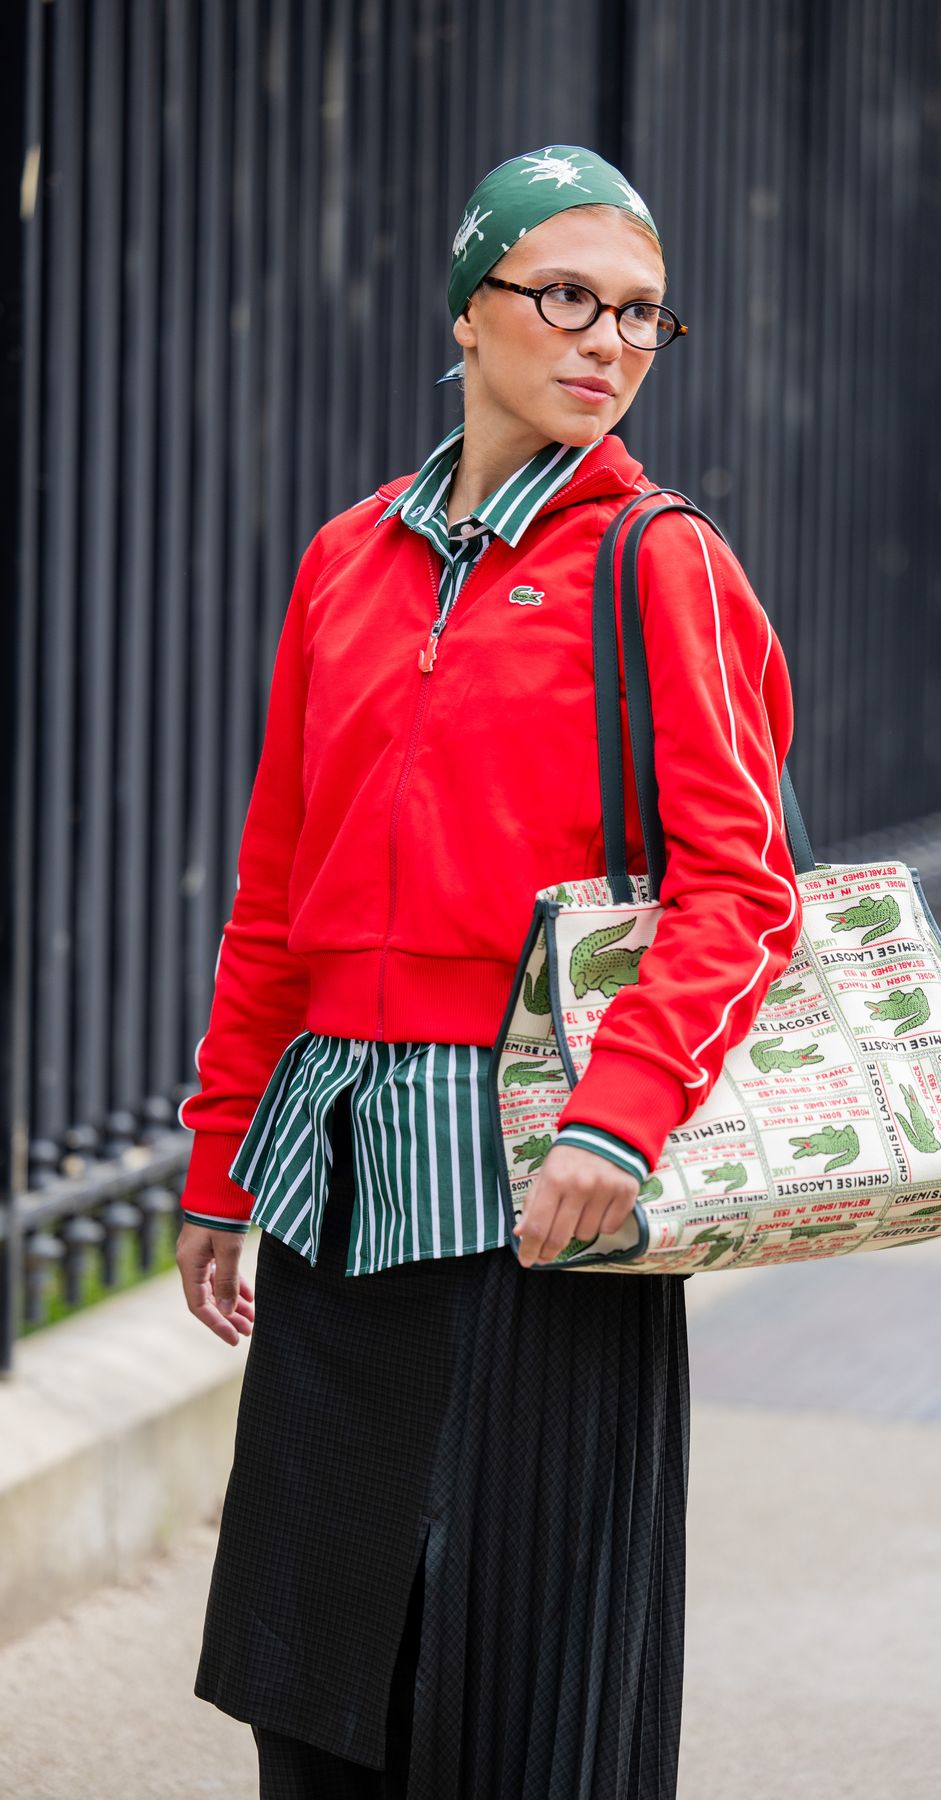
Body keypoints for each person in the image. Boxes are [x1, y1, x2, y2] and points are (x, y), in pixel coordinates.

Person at [175, 144, 801, 1800]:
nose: (605, 340)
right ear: (471, 307)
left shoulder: (658, 563)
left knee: (517, 1704)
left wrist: (617, 1120)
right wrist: (224, 1158)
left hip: (543, 1200)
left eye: (644, 316)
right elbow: (272, 891)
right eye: (567, 296)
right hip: (334, 1186)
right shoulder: (345, 560)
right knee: (314, 1690)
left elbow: (741, 889)